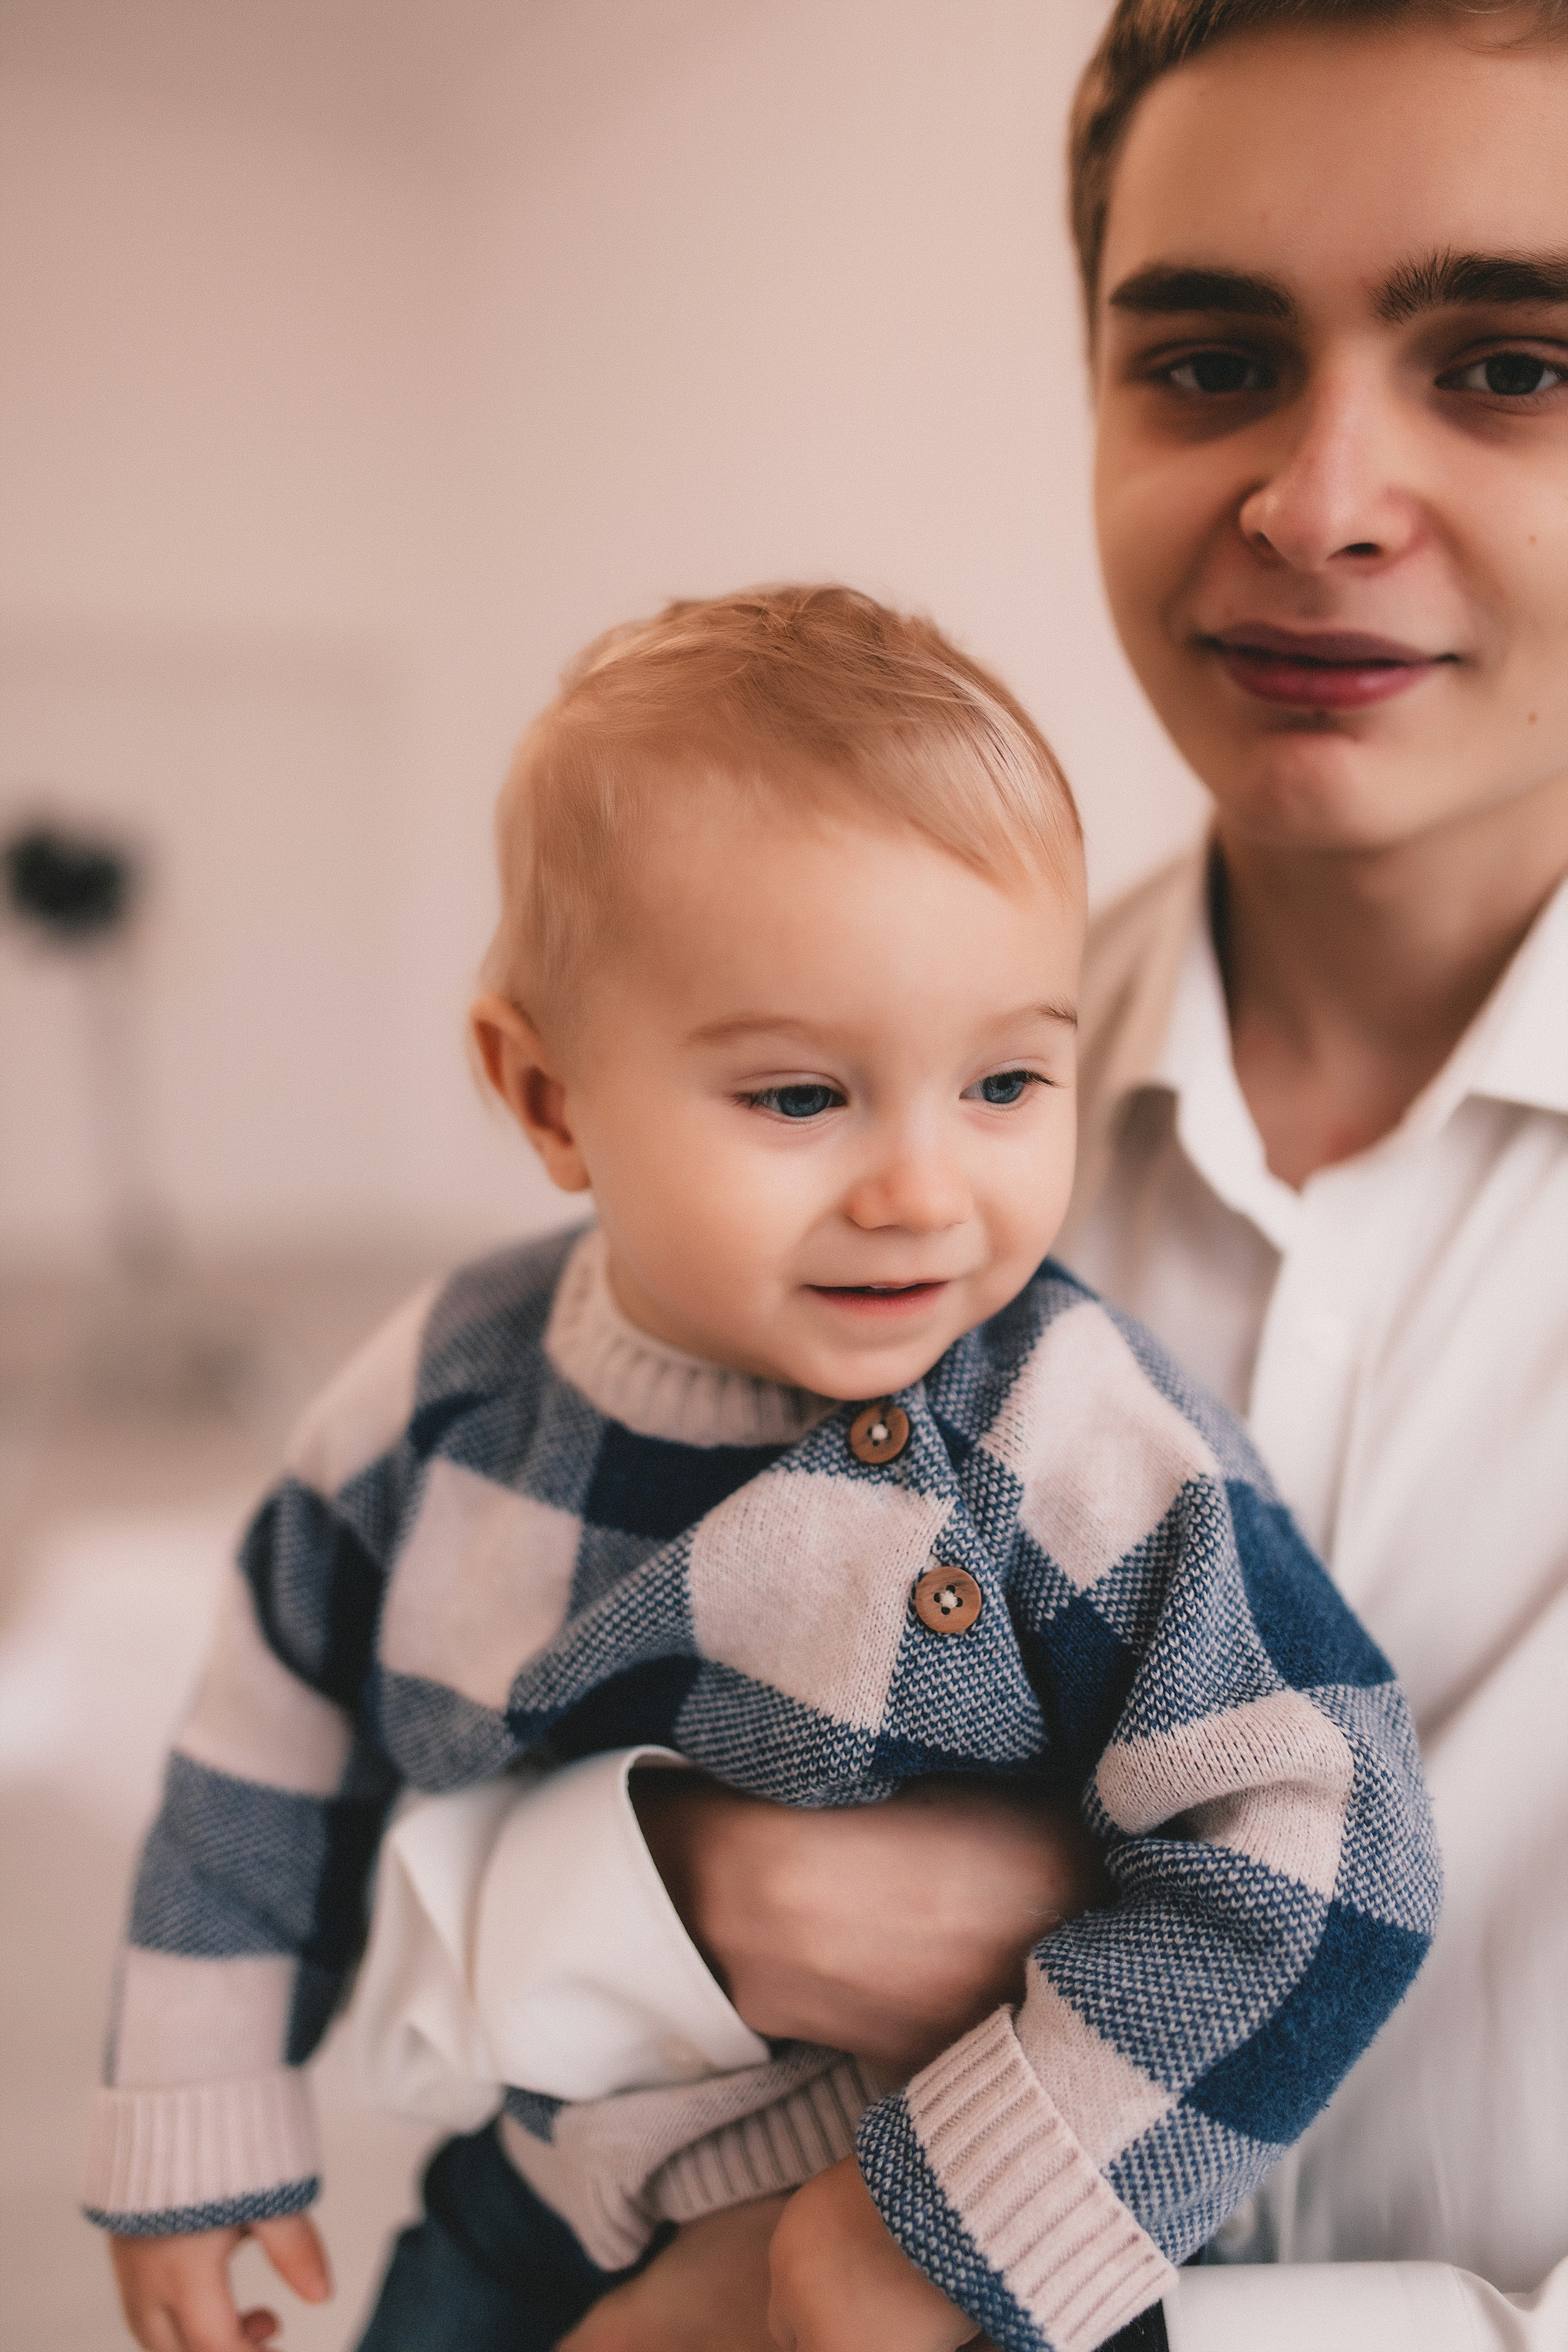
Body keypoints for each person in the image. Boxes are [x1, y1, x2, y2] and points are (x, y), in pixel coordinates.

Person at [358, 4, 1568, 2350]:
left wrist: (843, 2283)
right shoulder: (816, 1115)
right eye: (1209, 360)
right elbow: (432, 1707)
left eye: (1514, 362)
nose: (1317, 501)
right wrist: (684, 1885)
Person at [86, 586, 1438, 2352]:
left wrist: (929, 2239)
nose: (923, 1192)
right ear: (549, 1097)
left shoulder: (1057, 1420)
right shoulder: (444, 1390)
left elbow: (1332, 1840)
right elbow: (266, 1728)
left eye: (1007, 1083)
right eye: (804, 1100)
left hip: (957, 2232)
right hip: (545, 2194)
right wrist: (195, 2120)